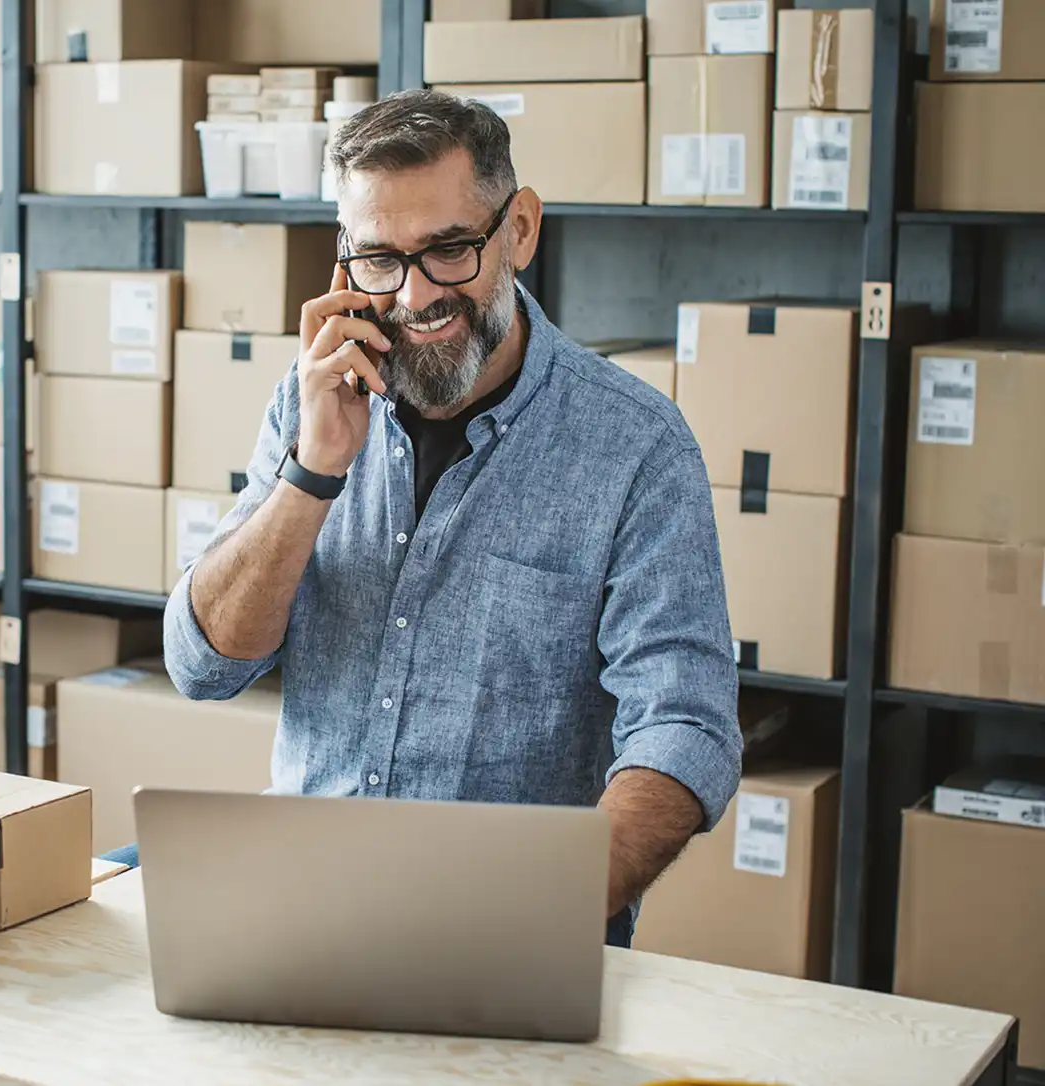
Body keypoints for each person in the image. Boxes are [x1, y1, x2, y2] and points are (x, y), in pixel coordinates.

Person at [113, 89, 742, 947]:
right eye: (376, 259)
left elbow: (685, 724)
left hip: (504, 923)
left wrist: (542, 910)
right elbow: (203, 665)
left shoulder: (635, 446)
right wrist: (313, 471)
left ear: (518, 228)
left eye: (448, 250)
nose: (412, 295)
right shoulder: (310, 403)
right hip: (305, 898)